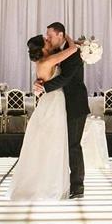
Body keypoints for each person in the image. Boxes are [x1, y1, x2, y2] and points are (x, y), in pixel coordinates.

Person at [6, 32, 80, 200]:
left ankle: (45, 183)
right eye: (46, 40)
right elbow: (72, 50)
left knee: (47, 141)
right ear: (43, 47)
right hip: (54, 102)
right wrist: (67, 37)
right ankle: (49, 186)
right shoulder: (48, 60)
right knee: (53, 142)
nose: (49, 40)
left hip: (50, 101)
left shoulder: (44, 61)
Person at [34, 22, 90, 199]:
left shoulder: (73, 54)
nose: (48, 39)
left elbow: (65, 78)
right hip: (60, 106)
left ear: (60, 35)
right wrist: (39, 82)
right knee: (61, 145)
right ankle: (61, 183)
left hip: (75, 105)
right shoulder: (58, 52)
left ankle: (78, 186)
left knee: (73, 145)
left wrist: (43, 88)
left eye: (50, 36)